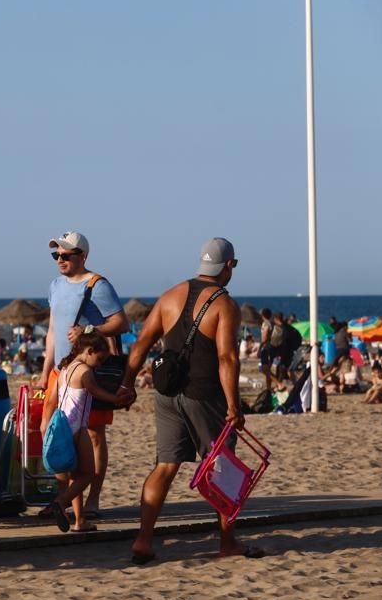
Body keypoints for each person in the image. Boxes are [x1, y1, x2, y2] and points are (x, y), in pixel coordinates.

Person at [120, 238, 263, 564]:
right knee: (222, 467)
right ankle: (228, 543)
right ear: (228, 266)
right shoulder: (225, 305)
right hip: (205, 395)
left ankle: (143, 540)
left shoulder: (169, 296)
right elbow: (227, 359)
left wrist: (127, 386)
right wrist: (234, 407)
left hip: (167, 394)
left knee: (165, 466)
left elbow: (141, 343)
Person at [35, 230, 128, 521]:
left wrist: (92, 330)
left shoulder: (97, 285)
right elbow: (51, 331)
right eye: (56, 255)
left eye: (66, 255)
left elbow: (121, 322)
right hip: (60, 370)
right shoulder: (55, 285)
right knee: (53, 430)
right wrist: (44, 370)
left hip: (89, 370)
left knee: (94, 435)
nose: (60, 260)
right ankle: (65, 498)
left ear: (82, 256)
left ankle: (93, 500)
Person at [41, 332, 129, 533]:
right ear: (89, 351)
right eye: (99, 359)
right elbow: (97, 392)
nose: (99, 365)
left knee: (75, 476)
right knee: (88, 474)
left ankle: (79, 521)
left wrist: (45, 426)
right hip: (78, 428)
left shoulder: (64, 369)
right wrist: (116, 399)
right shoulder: (85, 372)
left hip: (61, 425)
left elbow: (52, 400)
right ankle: (61, 502)